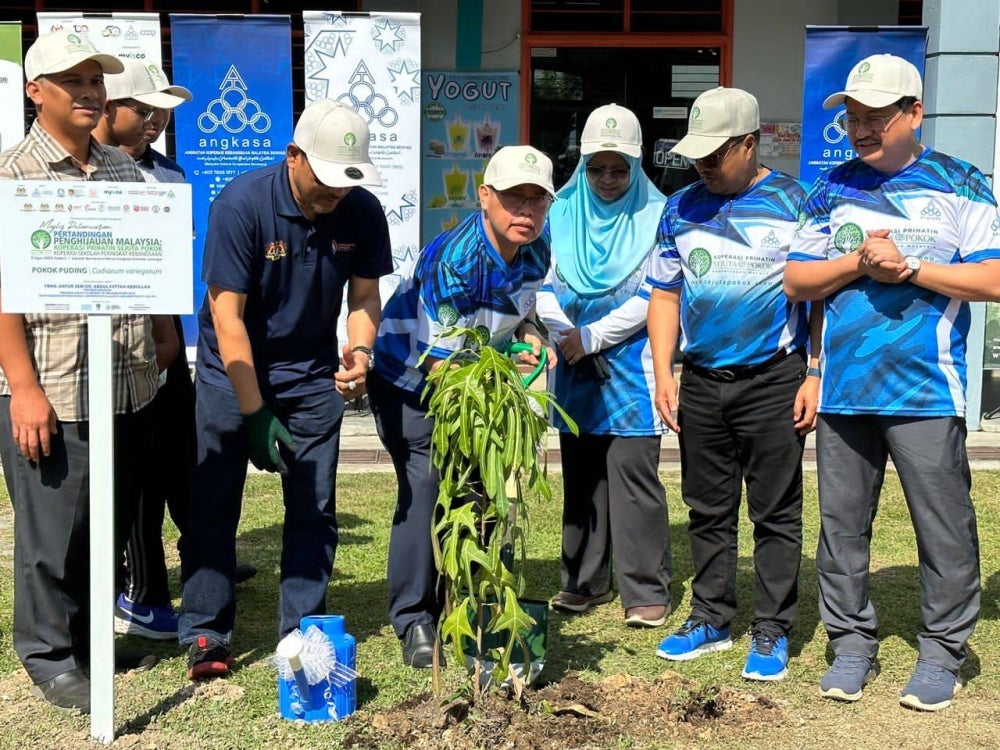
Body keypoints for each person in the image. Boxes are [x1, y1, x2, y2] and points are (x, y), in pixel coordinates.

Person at [784, 54, 1000, 711]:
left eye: (876, 116)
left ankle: (941, 654)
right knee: (842, 530)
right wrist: (856, 261)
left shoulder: (962, 182)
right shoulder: (829, 189)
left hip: (925, 391)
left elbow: (992, 279)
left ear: (914, 113)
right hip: (845, 390)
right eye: (853, 117)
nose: (861, 128)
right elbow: (797, 281)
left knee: (945, 529)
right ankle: (851, 645)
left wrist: (909, 271)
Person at [177, 100, 391, 679]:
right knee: (215, 503)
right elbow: (228, 321)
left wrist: (361, 351)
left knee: (314, 507)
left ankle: (301, 633)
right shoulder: (242, 205)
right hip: (232, 373)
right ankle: (205, 631)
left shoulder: (362, 211)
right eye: (323, 181)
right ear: (293, 157)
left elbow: (365, 299)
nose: (333, 196)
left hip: (313, 377)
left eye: (344, 184)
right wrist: (253, 414)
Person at [0, 30, 167, 713]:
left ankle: (91, 638)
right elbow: (3, 290)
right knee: (53, 533)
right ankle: (47, 651)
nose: (91, 92)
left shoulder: (125, 170)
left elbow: (148, 266)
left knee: (105, 523)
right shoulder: (13, 174)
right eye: (73, 81)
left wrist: (161, 345)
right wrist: (26, 389)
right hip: (54, 385)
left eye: (96, 80)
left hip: (125, 384)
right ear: (36, 91)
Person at [645, 87, 821, 682]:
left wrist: (814, 372)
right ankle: (711, 616)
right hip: (699, 380)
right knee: (706, 507)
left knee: (774, 511)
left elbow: (819, 301)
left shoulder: (797, 201)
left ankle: (772, 628)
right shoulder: (680, 207)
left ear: (750, 144)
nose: (703, 166)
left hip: (773, 380)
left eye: (715, 155)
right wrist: (663, 370)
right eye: (696, 155)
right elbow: (665, 294)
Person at [369, 145, 555, 668]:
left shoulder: (537, 250)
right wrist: (498, 407)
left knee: (483, 485)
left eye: (537, 201)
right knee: (427, 485)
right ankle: (414, 619)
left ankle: (473, 602)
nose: (526, 212)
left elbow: (520, 315)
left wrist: (531, 334)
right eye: (514, 199)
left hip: (475, 375)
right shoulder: (457, 259)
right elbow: (440, 363)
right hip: (412, 376)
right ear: (484, 197)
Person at [535, 104, 672, 628]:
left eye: (619, 169)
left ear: (636, 167)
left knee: (634, 478)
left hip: (633, 371)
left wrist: (592, 335)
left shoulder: (660, 215)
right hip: (572, 365)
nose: (608, 180)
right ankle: (583, 580)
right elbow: (540, 285)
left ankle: (645, 590)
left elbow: (657, 294)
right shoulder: (561, 212)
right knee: (583, 475)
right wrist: (563, 331)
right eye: (597, 168)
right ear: (581, 165)